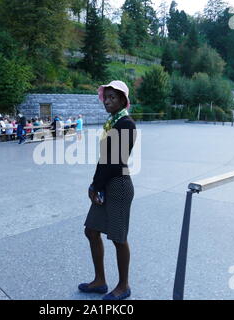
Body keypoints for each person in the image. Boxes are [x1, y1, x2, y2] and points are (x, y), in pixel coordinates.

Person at [79, 80, 137, 301]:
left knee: (118, 238)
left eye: (113, 97)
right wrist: (95, 184)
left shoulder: (126, 124)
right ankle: (100, 281)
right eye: (106, 97)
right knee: (91, 230)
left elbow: (115, 161)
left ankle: (123, 286)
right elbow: (104, 159)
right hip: (105, 183)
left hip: (119, 185)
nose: (108, 101)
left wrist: (97, 185)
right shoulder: (112, 122)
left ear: (123, 100)